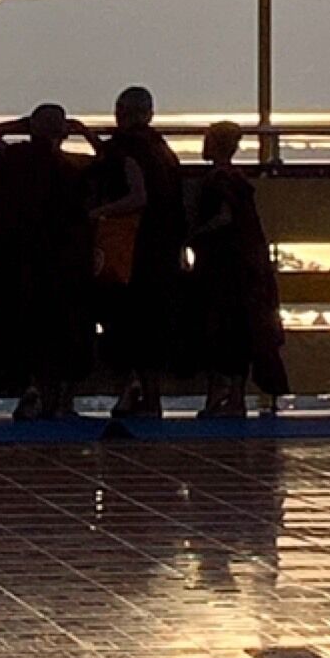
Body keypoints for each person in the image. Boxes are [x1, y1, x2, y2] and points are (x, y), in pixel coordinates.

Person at [0, 103, 97, 422]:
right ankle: (63, 399)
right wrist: (86, 133)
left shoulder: (15, 158)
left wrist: (20, 124)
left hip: (24, 256)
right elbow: (108, 160)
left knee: (29, 326)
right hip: (66, 257)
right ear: (62, 133)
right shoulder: (72, 167)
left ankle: (32, 389)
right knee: (68, 328)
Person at [92, 85, 187, 419]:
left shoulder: (125, 150)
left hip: (132, 252)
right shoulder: (163, 150)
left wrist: (98, 213)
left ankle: (137, 391)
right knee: (154, 324)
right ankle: (149, 396)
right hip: (164, 250)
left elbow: (137, 196)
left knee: (130, 324)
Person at [185, 119, 290, 417]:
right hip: (243, 266)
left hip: (222, 265)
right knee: (240, 329)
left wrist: (193, 236)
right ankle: (235, 396)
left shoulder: (219, 182)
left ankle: (222, 395)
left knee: (222, 328)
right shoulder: (237, 180)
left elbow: (224, 217)